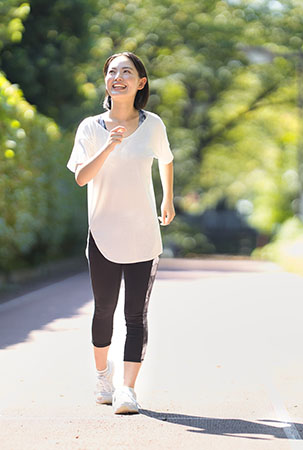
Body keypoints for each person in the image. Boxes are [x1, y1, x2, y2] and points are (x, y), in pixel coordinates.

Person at [66, 52, 175, 414]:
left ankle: (128, 389)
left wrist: (167, 200)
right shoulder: (90, 128)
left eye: (126, 72)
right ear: (107, 82)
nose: (118, 77)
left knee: (135, 316)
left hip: (144, 233)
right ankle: (103, 376)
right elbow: (82, 177)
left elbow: (167, 159)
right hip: (103, 233)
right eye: (112, 72)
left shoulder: (153, 125)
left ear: (140, 83)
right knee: (103, 311)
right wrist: (110, 145)